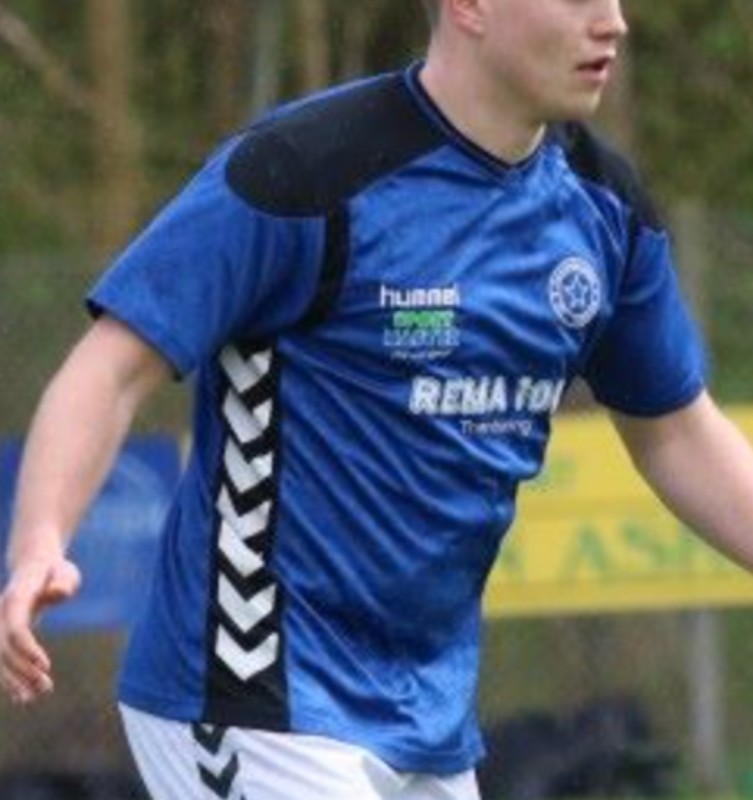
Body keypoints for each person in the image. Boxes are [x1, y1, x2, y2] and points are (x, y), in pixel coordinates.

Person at [3, 0, 753, 798]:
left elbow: (675, 431)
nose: (612, 22)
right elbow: (109, 370)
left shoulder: (602, 207)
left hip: (427, 716)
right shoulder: (303, 171)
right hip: (254, 693)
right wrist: (39, 540)